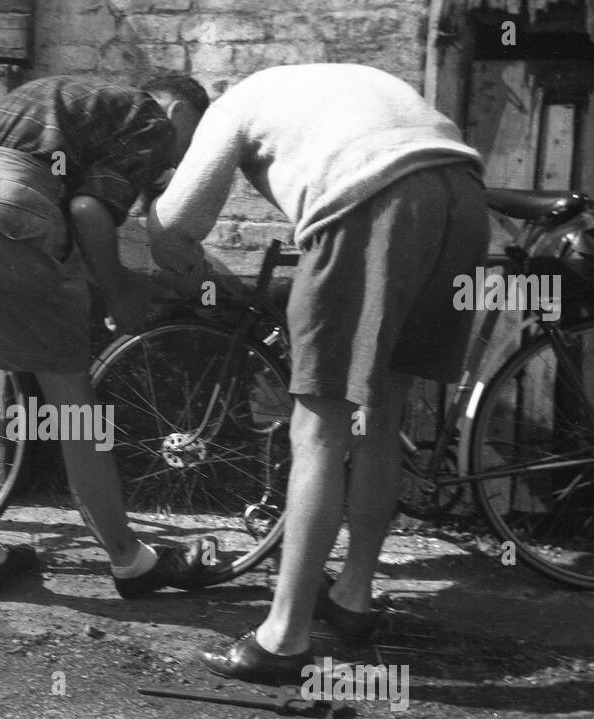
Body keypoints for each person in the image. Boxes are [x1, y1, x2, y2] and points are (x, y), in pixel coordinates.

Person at [147, 64, 489, 684]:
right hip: (462, 196)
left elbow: (174, 225)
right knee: (380, 417)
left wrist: (193, 274)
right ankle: (352, 596)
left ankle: (283, 638)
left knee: (319, 432)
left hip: (373, 202)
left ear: (177, 118)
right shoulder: (323, 82)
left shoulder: (234, 106)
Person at [0, 73, 214, 599]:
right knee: (72, 404)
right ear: (179, 111)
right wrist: (116, 292)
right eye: (192, 140)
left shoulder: (76, 96)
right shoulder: (152, 119)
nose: (179, 160)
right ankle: (130, 562)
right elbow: (88, 210)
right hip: (4, 205)